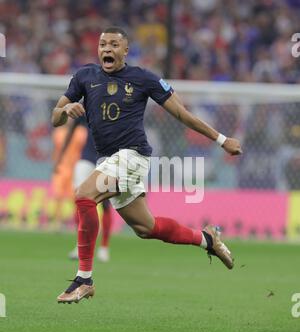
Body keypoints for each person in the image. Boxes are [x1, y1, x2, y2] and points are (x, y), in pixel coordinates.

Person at [51, 26, 242, 304]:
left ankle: (84, 279)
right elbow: (55, 116)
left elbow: (182, 114)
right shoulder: (84, 77)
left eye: (114, 44)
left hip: (133, 156)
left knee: (83, 195)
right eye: (103, 44)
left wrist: (221, 139)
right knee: (146, 228)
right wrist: (65, 110)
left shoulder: (143, 79)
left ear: (125, 51)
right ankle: (206, 239)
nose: (107, 49)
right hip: (110, 160)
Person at [69, 118, 112, 262]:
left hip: (106, 160)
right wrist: (62, 154)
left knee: (106, 204)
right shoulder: (89, 103)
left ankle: (104, 248)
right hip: (86, 159)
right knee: (80, 201)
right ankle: (79, 245)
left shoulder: (118, 105)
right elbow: (72, 128)